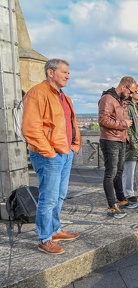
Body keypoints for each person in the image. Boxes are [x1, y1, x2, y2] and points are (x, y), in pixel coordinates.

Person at [22, 58, 82, 255]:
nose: (68, 76)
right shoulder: (37, 93)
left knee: (59, 195)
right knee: (48, 198)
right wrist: (49, 152)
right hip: (50, 155)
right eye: (64, 72)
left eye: (68, 73)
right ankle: (44, 239)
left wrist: (73, 145)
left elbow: (70, 123)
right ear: (51, 72)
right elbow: (31, 128)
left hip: (65, 153)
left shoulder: (63, 96)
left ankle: (55, 230)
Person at [99, 76, 138, 219]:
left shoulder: (121, 101)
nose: (131, 95)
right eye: (130, 92)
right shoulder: (107, 98)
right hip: (110, 140)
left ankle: (121, 199)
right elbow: (103, 120)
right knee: (111, 173)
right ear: (123, 87)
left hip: (121, 140)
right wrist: (124, 124)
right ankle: (112, 206)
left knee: (119, 172)